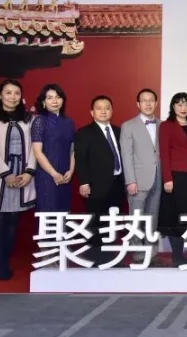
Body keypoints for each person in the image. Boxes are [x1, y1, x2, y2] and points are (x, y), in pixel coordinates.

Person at [0, 78, 37, 281]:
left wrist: (29, 171)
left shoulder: (29, 119)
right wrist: (6, 174)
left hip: (22, 174)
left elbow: (35, 147)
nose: (13, 97)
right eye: (8, 93)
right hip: (0, 175)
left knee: (14, 218)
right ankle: (0, 265)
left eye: (16, 93)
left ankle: (6, 258)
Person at [74, 95, 125, 267]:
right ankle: (96, 258)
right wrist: (84, 182)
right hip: (95, 186)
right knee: (96, 223)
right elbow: (81, 160)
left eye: (107, 108)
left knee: (112, 223)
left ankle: (111, 258)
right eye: (99, 108)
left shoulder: (119, 131)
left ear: (112, 111)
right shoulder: (84, 133)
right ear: (92, 112)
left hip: (117, 185)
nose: (103, 111)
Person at [119, 88, 162, 265]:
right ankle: (137, 252)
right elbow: (126, 155)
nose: (148, 103)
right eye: (144, 100)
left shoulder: (162, 124)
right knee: (136, 217)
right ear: (138, 104)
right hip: (137, 179)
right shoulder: (128, 125)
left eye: (151, 100)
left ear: (156, 103)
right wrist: (130, 180)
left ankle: (151, 252)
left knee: (153, 216)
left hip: (158, 177)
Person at [157, 92, 187, 267]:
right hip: (175, 176)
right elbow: (164, 153)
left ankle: (181, 252)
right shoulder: (166, 126)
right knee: (175, 215)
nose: (183, 108)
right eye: (180, 104)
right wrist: (167, 178)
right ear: (173, 107)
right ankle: (177, 255)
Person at [30, 83, 75, 213]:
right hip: (47, 175)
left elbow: (73, 149)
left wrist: (71, 170)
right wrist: (54, 174)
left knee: (63, 213)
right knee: (48, 214)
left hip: (66, 175)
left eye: (58, 97)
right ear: (43, 102)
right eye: (49, 98)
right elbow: (37, 153)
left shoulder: (69, 122)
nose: (54, 101)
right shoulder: (39, 121)